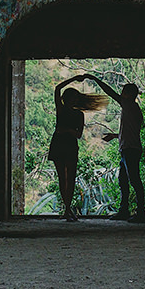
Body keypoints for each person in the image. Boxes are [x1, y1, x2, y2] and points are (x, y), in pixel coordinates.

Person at [47, 74, 108, 221]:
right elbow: (57, 88)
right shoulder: (62, 110)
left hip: (66, 144)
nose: (72, 100)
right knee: (64, 178)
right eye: (71, 98)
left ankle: (67, 210)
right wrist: (74, 78)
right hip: (63, 144)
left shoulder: (77, 114)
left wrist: (66, 130)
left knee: (69, 178)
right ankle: (67, 210)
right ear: (66, 99)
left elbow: (78, 134)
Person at [87, 74, 145, 223]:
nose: (121, 94)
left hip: (130, 149)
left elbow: (110, 93)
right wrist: (115, 136)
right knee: (124, 181)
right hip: (129, 148)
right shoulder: (134, 109)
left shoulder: (128, 105)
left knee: (134, 181)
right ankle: (124, 210)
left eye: (123, 92)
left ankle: (141, 213)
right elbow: (130, 131)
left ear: (128, 94)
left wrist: (95, 79)